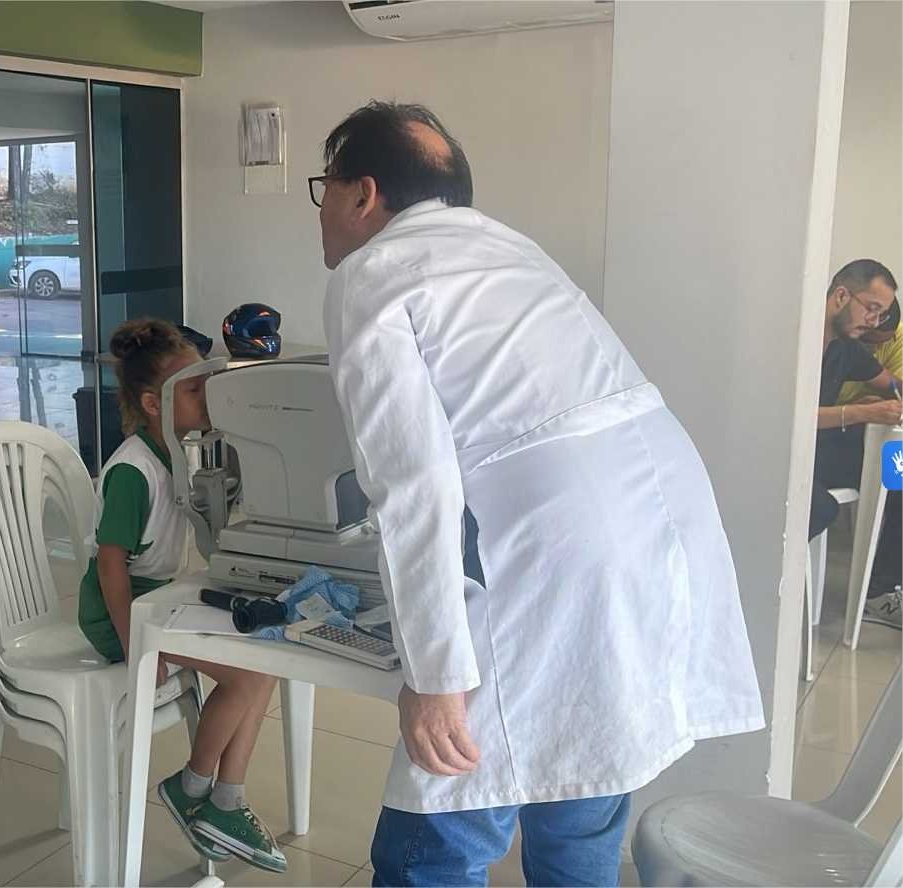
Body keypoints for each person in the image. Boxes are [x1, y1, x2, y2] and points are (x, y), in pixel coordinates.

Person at [312, 101, 764, 887]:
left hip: (563, 534)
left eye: (326, 186)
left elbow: (413, 486)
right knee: (587, 769)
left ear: (361, 194)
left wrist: (434, 677)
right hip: (660, 506)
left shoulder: (373, 273)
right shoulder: (508, 249)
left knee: (441, 820)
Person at [78, 319, 286, 873]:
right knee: (247, 674)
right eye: (194, 389)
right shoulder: (132, 469)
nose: (208, 396)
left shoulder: (178, 452)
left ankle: (227, 798)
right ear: (154, 402)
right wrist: (135, 645)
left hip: (160, 596)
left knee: (264, 660)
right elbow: (110, 566)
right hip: (119, 610)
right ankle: (192, 785)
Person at [809, 260, 901, 627]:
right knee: (823, 507)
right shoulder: (799, 338)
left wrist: (890, 398)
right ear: (842, 295)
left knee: (897, 470)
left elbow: (890, 384)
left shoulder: (846, 349)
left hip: (823, 447)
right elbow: (790, 418)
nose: (875, 323)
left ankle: (878, 591)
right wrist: (860, 412)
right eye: (873, 309)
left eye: (881, 315)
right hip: (787, 451)